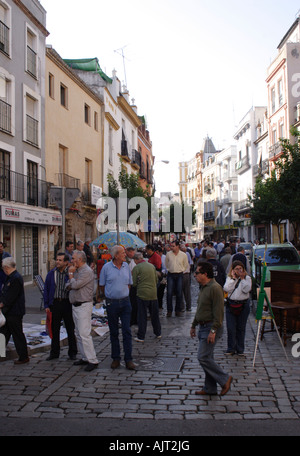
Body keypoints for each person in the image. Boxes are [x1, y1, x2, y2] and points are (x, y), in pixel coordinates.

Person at [190, 261, 232, 396]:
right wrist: (193, 324)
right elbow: (201, 309)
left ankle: (225, 379)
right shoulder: (203, 287)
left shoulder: (215, 288)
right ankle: (210, 388)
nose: (195, 275)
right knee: (208, 357)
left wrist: (213, 330)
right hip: (202, 326)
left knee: (202, 357)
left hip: (210, 327)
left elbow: (219, 312)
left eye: (197, 273)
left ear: (205, 274)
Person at [99, 245, 136, 370]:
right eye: (122, 253)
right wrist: (111, 295)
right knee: (114, 331)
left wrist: (123, 293)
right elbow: (102, 286)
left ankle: (128, 359)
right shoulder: (106, 268)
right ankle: (115, 358)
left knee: (126, 330)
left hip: (125, 302)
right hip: (112, 303)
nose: (125, 254)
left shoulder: (126, 266)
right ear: (116, 256)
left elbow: (129, 284)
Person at [67, 250, 98, 372]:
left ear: (80, 259)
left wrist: (70, 276)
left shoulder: (86, 271)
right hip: (75, 305)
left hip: (84, 306)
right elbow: (68, 285)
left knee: (84, 334)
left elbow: (74, 285)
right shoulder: (78, 271)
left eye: (74, 258)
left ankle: (92, 359)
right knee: (78, 334)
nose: (72, 260)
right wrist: (71, 281)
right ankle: (85, 357)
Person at [44, 253, 77, 361]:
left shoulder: (70, 273)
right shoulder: (51, 274)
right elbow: (47, 289)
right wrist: (47, 304)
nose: (57, 262)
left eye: (60, 260)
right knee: (54, 328)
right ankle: (54, 352)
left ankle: (72, 352)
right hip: (56, 303)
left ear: (66, 262)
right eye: (57, 259)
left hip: (67, 303)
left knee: (70, 328)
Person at [0, 257, 29, 364]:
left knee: (17, 334)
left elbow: (11, 297)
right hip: (9, 311)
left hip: (14, 312)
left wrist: (2, 305)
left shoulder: (16, 278)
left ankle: (23, 356)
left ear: (6, 268)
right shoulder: (10, 277)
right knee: (4, 333)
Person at [223, 260, 252, 356]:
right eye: (237, 269)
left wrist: (242, 279)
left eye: (241, 269)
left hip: (243, 305)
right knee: (231, 328)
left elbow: (247, 289)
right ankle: (231, 348)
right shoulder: (229, 278)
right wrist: (233, 279)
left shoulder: (247, 278)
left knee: (241, 328)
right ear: (233, 270)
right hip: (231, 305)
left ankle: (240, 349)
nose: (239, 271)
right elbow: (226, 288)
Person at [132, 252, 161, 342]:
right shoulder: (151, 266)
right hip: (153, 294)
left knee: (142, 316)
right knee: (154, 315)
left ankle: (141, 336)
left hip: (142, 294)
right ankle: (158, 332)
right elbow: (156, 280)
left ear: (136, 260)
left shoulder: (137, 268)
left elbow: (134, 283)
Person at [165, 240, 189, 317]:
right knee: (169, 293)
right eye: (171, 246)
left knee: (179, 292)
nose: (171, 247)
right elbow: (166, 264)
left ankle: (178, 310)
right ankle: (169, 310)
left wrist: (181, 270)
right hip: (171, 274)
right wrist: (169, 269)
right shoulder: (168, 254)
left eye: (173, 246)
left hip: (179, 274)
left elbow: (185, 265)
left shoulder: (183, 255)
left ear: (178, 246)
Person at [179, 244, 192, 311]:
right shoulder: (186, 254)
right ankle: (187, 306)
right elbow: (190, 263)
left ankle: (184, 307)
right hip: (186, 274)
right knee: (186, 292)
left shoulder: (180, 256)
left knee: (182, 291)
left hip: (183, 274)